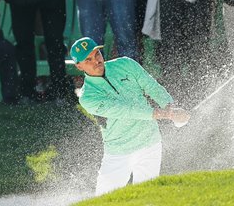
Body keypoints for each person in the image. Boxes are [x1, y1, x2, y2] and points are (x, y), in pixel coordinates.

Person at [72, 36, 189, 195]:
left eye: (97, 54)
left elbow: (152, 86)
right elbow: (124, 110)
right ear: (79, 66)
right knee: (104, 200)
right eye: (88, 60)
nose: (96, 61)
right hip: (118, 152)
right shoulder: (87, 97)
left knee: (147, 198)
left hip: (150, 143)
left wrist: (171, 107)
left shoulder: (126, 64)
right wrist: (161, 114)